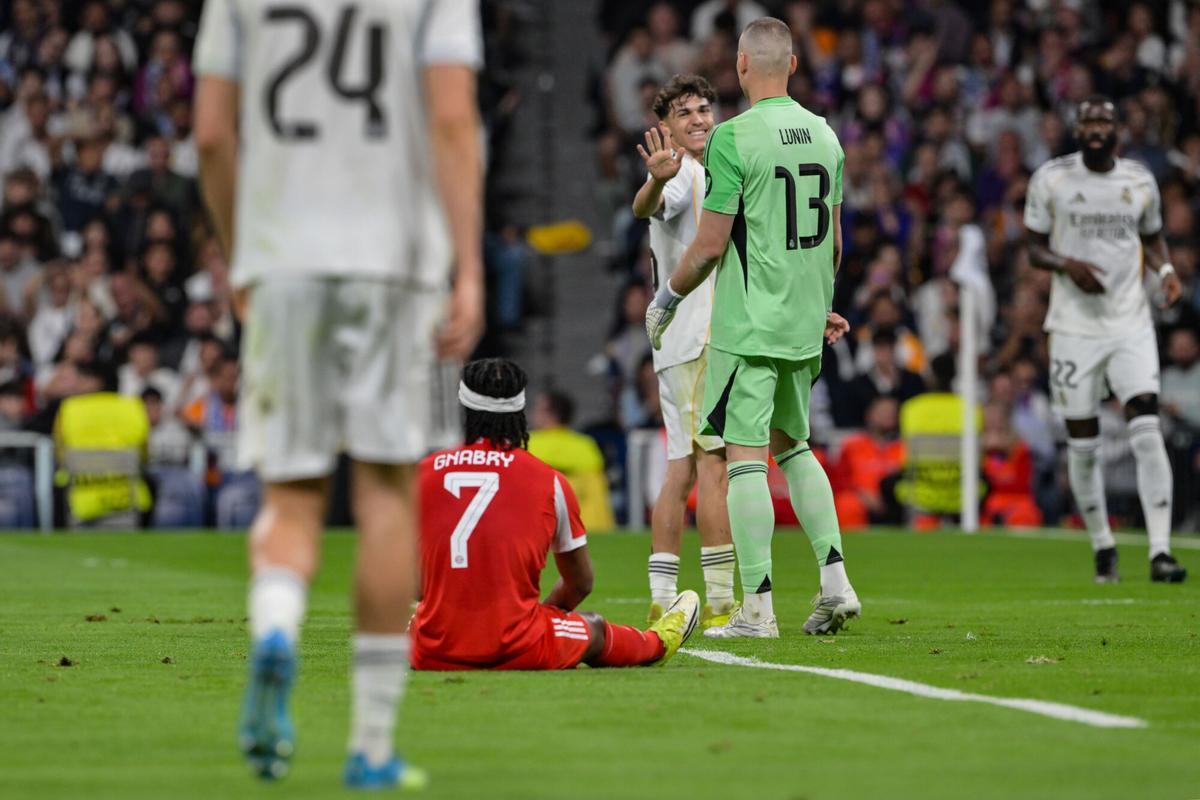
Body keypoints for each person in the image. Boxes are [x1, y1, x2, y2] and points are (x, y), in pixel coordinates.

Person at [194, 0, 486, 788]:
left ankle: (277, 628)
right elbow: (453, 119)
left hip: (283, 260)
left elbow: (213, 135)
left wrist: (241, 252)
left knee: (290, 496)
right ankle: (372, 745)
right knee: (386, 493)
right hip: (390, 260)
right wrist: (468, 264)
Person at [645, 18, 859, 637]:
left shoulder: (732, 139)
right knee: (795, 446)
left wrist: (666, 297)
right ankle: (836, 583)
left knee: (743, 459)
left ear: (741, 66)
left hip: (748, 328)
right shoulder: (826, 135)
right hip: (801, 322)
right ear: (792, 65)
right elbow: (834, 244)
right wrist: (813, 304)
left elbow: (710, 246)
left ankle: (758, 608)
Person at [411, 358, 700, 671]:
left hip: (433, 651)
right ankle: (657, 644)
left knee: (415, 613)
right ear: (519, 412)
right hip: (518, 647)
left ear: (465, 410)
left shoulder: (421, 474)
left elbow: (407, 580)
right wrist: (542, 618)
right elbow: (581, 583)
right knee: (594, 628)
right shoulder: (548, 480)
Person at [1024, 95, 1187, 584]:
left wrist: (1165, 268)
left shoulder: (1138, 180)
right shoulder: (1051, 178)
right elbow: (1032, 247)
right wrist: (1066, 265)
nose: (1096, 127)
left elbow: (1152, 234)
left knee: (1147, 425)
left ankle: (1160, 550)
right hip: (1073, 328)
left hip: (1129, 323)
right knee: (1084, 443)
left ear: (1118, 130)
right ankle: (1103, 545)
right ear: (1077, 128)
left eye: (1104, 121)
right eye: (1088, 119)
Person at [631, 74, 736, 628]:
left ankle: (661, 592)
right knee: (713, 466)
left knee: (681, 470)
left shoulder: (703, 170)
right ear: (666, 126)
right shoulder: (682, 172)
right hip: (696, 338)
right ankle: (720, 603)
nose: (698, 119)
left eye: (703, 109)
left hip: (675, 341)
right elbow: (645, 204)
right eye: (685, 113)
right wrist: (654, 180)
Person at [528, 390, 616, 531]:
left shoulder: (527, 444)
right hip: (586, 526)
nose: (533, 413)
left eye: (538, 409)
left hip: (539, 527)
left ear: (551, 414)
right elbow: (597, 494)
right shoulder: (586, 445)